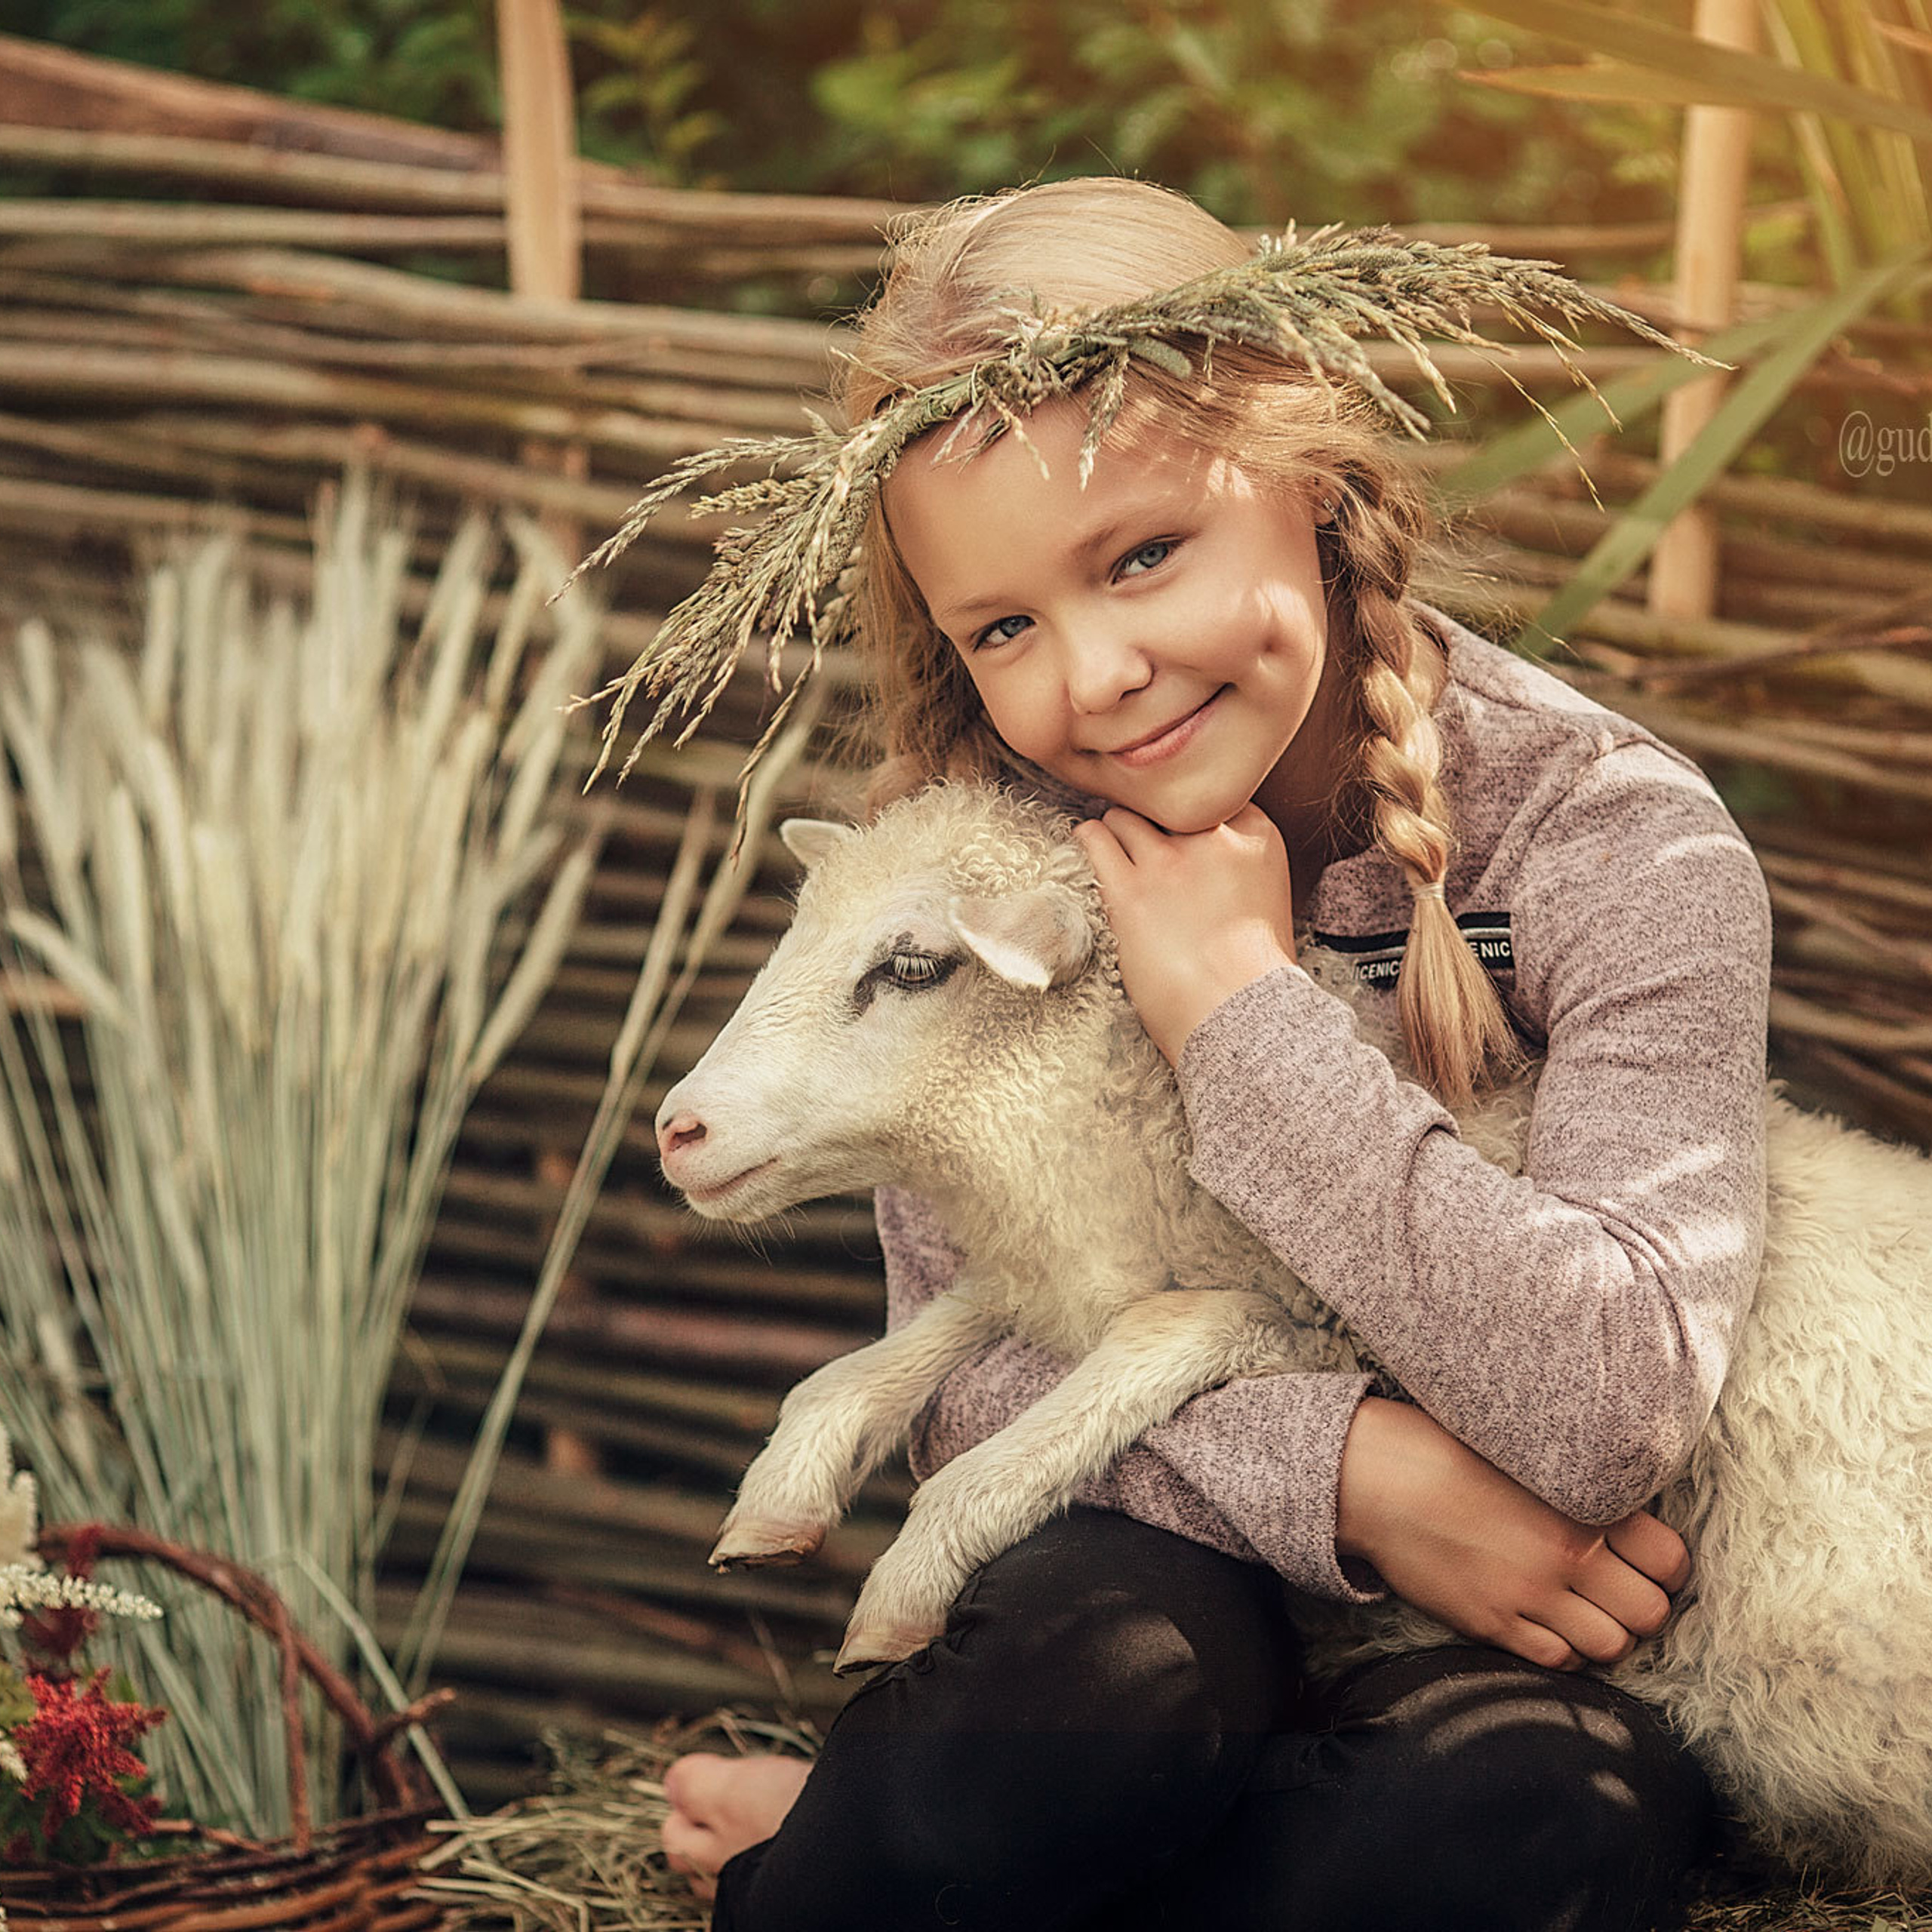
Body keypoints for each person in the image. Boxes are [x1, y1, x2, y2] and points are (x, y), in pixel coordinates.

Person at [648, 177, 1771, 1930]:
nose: (1092, 676)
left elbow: (1606, 1393)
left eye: (1140, 555)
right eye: (1003, 626)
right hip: (1182, 1572)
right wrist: (1349, 1473)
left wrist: (1234, 1009)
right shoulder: (994, 860)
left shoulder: (1609, 841)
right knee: (1095, 1684)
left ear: (1309, 479)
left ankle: (857, 1857)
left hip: (1516, 1622)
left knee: (1547, 1817)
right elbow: (973, 1375)